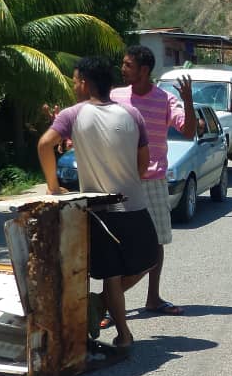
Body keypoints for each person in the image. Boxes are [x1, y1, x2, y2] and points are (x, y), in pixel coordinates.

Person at [38, 56, 157, 349]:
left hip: (99, 210)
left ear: (85, 83)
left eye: (75, 79)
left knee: (113, 273)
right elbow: (144, 164)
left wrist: (54, 187)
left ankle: (103, 310)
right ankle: (123, 333)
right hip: (134, 203)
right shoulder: (132, 114)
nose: (74, 84)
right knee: (147, 259)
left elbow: (44, 144)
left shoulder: (72, 114)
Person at [109, 45, 195, 316]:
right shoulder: (115, 96)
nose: (122, 69)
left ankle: (153, 298)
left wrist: (189, 100)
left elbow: (189, 130)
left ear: (143, 70)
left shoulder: (165, 100)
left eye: (128, 65)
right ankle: (110, 305)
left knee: (156, 241)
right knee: (117, 242)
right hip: (120, 180)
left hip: (154, 180)